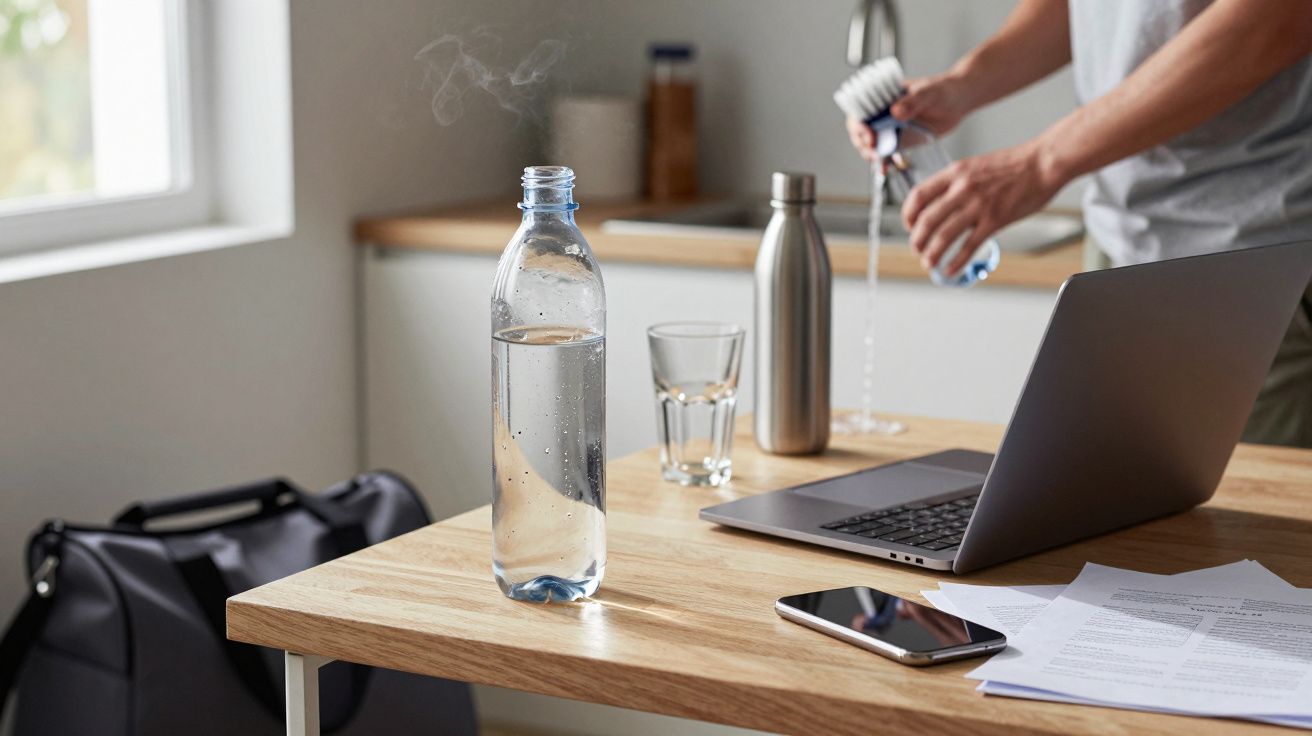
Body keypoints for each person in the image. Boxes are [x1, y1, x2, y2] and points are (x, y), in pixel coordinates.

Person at [848, 0, 1312, 448]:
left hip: (1259, 254)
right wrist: (963, 85)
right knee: (1120, 509)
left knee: (1258, 515)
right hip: (1118, 240)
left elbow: (1275, 19)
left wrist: (1041, 163)